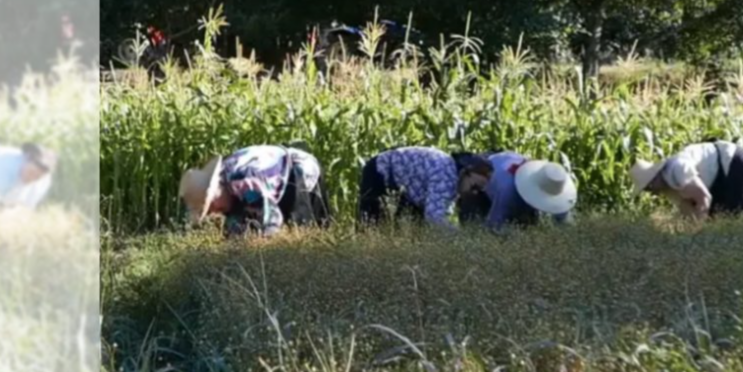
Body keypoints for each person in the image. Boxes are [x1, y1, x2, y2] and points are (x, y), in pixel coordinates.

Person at [179, 144, 331, 238]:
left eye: (211, 207)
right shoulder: (227, 185)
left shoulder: (244, 183)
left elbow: (271, 219)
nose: (215, 212)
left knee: (305, 233)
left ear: (216, 191)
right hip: (277, 176)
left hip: (298, 172)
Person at [357, 146, 493, 228]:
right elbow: (435, 218)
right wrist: (461, 241)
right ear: (466, 173)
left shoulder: (452, 173)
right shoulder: (446, 176)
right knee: (371, 226)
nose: (475, 193)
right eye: (474, 186)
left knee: (412, 233)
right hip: (379, 172)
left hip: (405, 189)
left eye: (479, 191)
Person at [630, 140, 743, 219]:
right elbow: (690, 211)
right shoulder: (669, 187)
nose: (652, 193)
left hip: (734, 163)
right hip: (721, 177)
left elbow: (704, 198)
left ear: (653, 180)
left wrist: (698, 233)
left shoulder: (676, 170)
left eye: (648, 188)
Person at [457, 151, 576, 230]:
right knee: (474, 225)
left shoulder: (552, 182)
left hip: (501, 163)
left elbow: (566, 224)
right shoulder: (507, 190)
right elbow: (494, 226)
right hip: (483, 176)